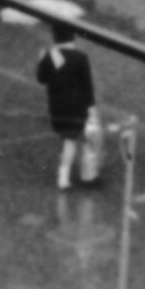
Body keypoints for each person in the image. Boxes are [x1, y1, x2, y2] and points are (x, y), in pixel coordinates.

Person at [34, 16, 98, 189]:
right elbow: (87, 86)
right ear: (73, 37)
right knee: (85, 141)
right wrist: (91, 109)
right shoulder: (80, 58)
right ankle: (84, 176)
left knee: (68, 141)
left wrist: (41, 60)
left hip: (58, 108)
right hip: (79, 108)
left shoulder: (50, 56)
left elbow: (41, 79)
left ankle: (66, 177)